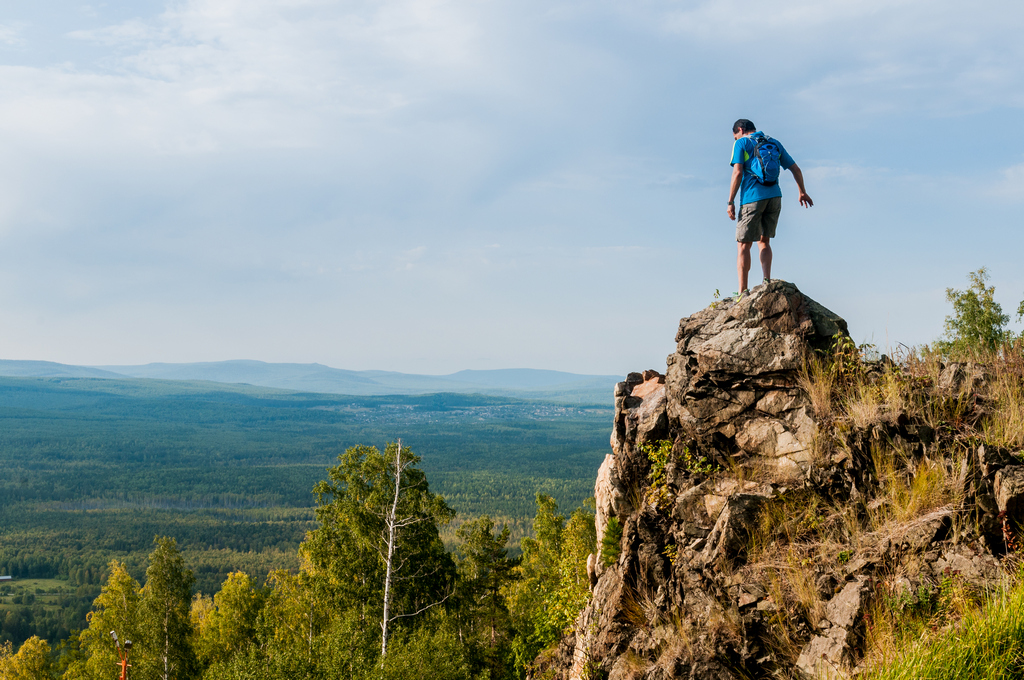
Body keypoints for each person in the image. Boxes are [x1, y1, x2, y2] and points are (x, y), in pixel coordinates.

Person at [727, 119, 812, 296]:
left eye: (735, 137)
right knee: (764, 241)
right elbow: (795, 169)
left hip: (752, 198)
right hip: (775, 196)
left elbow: (738, 172)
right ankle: (767, 281)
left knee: (743, 245)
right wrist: (802, 192)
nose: (735, 140)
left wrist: (730, 201)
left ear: (740, 130)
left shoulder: (742, 143)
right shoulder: (773, 142)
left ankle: (742, 291)